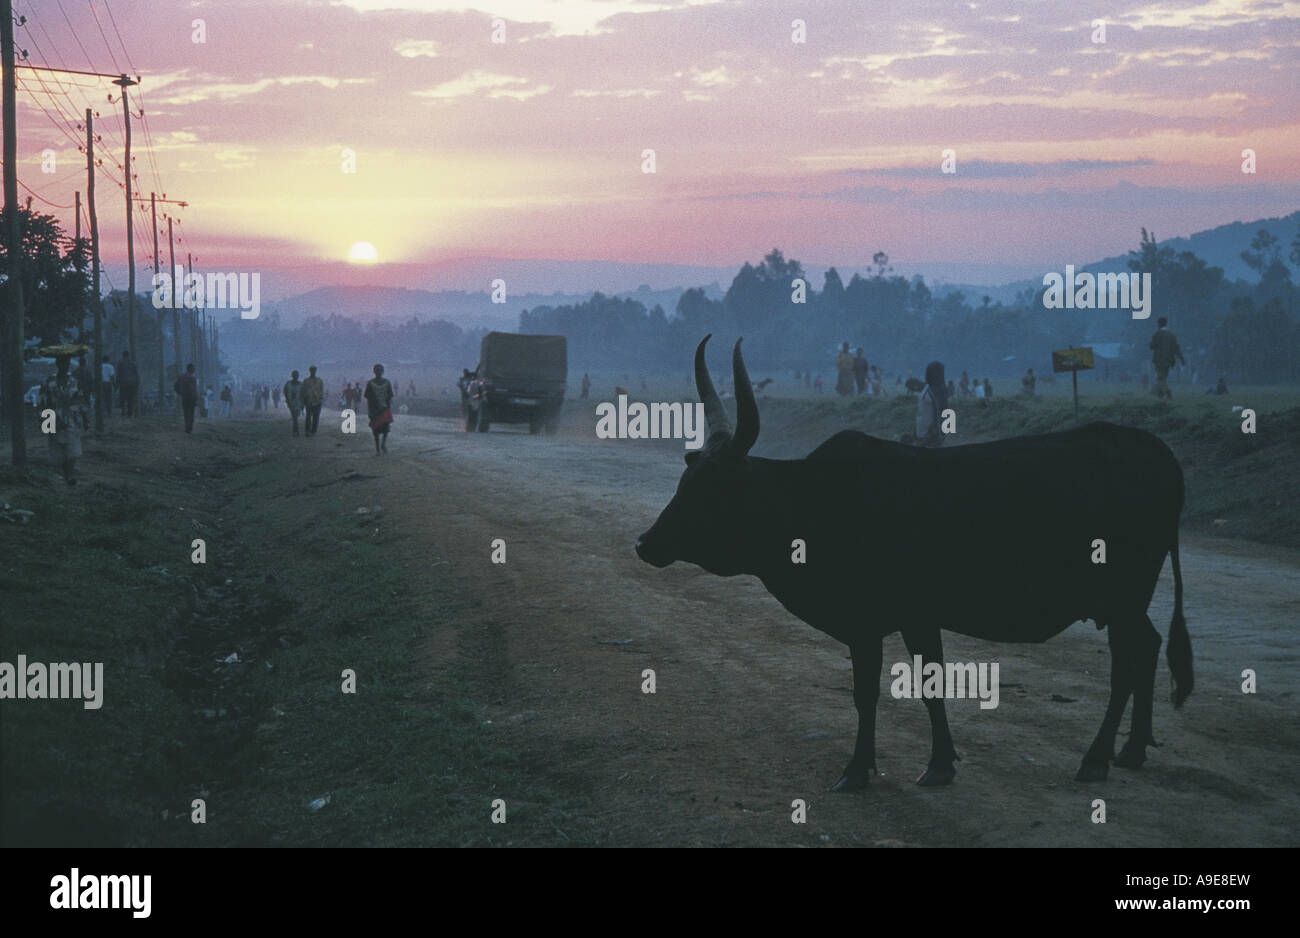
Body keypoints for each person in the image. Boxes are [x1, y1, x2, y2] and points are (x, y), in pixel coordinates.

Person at [38, 346, 90, 485]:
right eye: (61, 363)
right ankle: (66, 473)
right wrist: (44, 420)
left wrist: (85, 418)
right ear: (57, 364)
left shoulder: (74, 381)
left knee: (73, 449)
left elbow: (80, 399)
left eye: (66, 364)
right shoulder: (48, 381)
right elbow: (43, 401)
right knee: (58, 449)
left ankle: (70, 474)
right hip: (54, 417)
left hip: (72, 418)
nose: (64, 366)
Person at [1149, 316, 1185, 399]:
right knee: (1163, 377)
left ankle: (1167, 391)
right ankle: (1160, 394)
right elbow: (1176, 348)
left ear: (1159, 324)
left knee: (1160, 377)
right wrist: (1181, 358)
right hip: (1169, 360)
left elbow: (1152, 346)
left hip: (1158, 360)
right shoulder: (1172, 335)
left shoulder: (1157, 334)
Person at [915, 361, 948, 447]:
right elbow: (920, 412)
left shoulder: (939, 390)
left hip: (931, 437)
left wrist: (938, 434)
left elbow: (943, 413)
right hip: (922, 435)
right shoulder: (927, 388)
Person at [364, 363, 395, 454]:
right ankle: (378, 448)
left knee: (386, 430)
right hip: (374, 410)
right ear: (374, 371)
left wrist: (388, 409)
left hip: (384, 409)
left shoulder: (386, 383)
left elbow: (389, 396)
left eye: (380, 370)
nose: (378, 372)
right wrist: (369, 411)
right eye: (377, 370)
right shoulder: (370, 383)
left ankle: (383, 445)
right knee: (376, 431)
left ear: (382, 371)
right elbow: (368, 398)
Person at [173, 363, 199, 433]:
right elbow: (194, 390)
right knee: (191, 412)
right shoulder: (192, 378)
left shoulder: (181, 376)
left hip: (184, 397)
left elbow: (175, 387)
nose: (194, 370)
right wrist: (196, 399)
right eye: (193, 368)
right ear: (190, 369)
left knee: (186, 412)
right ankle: (189, 427)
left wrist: (181, 393)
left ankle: (187, 426)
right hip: (192, 398)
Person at [302, 365, 325, 437]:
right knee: (308, 417)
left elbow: (321, 390)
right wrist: (304, 400)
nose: (313, 371)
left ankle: (313, 431)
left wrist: (321, 398)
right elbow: (303, 391)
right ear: (310, 371)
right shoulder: (306, 381)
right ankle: (307, 431)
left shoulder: (319, 381)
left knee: (316, 417)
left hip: (317, 401)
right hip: (309, 401)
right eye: (312, 370)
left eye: (314, 370)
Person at [117, 350, 139, 417]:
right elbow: (136, 374)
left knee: (123, 398)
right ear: (128, 355)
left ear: (123, 356)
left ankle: (123, 411)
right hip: (132, 383)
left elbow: (118, 374)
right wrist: (137, 383)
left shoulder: (120, 363)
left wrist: (117, 383)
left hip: (123, 383)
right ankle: (130, 412)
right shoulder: (133, 363)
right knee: (130, 398)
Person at [283, 370, 304, 436]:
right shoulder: (288, 384)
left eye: (296, 375)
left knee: (296, 417)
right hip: (291, 403)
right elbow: (285, 392)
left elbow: (303, 394)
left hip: (298, 403)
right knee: (294, 417)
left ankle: (295, 430)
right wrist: (287, 400)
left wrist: (302, 404)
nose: (295, 376)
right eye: (294, 375)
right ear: (292, 376)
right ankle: (296, 431)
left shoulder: (301, 385)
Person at [99, 355, 115, 420]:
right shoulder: (110, 366)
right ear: (108, 360)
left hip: (101, 383)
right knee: (108, 398)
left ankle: (102, 412)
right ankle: (109, 413)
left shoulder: (100, 366)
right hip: (108, 383)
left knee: (102, 398)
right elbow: (112, 376)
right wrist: (114, 384)